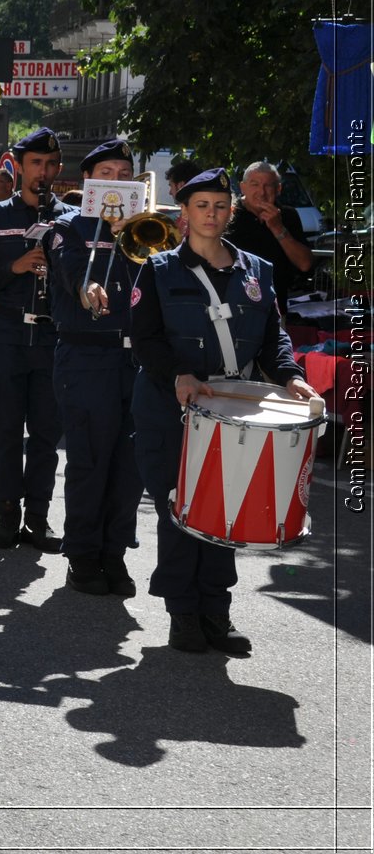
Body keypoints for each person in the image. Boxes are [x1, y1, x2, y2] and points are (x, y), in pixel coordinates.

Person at [130, 168, 315, 654]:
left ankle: (216, 610)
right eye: (202, 206)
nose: (212, 214)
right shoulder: (159, 269)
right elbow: (144, 339)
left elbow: (274, 338)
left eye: (220, 206)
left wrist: (292, 377)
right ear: (185, 214)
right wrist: (179, 375)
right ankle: (182, 613)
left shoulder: (257, 271)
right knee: (182, 507)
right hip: (172, 408)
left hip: (232, 410)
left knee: (225, 508)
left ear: (231, 211)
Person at [0, 127, 72, 552]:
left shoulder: (69, 220)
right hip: (7, 335)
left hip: (50, 339)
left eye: (49, 166)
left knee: (46, 434)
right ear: (19, 166)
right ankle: (7, 513)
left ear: (58, 170)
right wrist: (15, 267)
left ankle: (39, 517)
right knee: (6, 430)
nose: (42, 173)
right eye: (35, 165)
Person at [46, 139, 144, 595]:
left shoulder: (146, 229)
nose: (117, 181)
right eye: (108, 172)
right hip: (87, 357)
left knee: (130, 465)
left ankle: (115, 552)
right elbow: (72, 274)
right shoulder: (69, 226)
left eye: (125, 174)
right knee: (89, 460)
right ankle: (82, 554)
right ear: (90, 181)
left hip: (136, 360)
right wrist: (90, 289)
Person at [227, 161, 314, 311]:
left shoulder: (288, 215)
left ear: (278, 189)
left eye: (268, 186)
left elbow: (305, 263)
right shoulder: (229, 216)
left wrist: (278, 228)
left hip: (275, 308)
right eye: (255, 184)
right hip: (234, 308)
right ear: (243, 187)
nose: (262, 192)